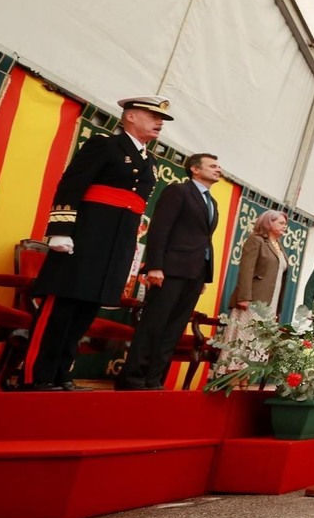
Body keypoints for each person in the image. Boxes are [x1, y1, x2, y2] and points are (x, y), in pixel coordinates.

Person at [23, 96, 167, 391]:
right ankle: (37, 376)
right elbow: (71, 185)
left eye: (160, 119)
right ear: (130, 117)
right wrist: (60, 229)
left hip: (116, 245)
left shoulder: (149, 161)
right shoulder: (105, 145)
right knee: (62, 307)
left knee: (86, 310)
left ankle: (62, 373)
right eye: (152, 116)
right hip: (85, 238)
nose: (159, 122)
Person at [118, 152, 223, 390]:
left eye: (219, 166)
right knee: (154, 325)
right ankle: (133, 379)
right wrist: (155, 266)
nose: (218, 169)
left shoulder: (212, 202)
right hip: (170, 270)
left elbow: (203, 238)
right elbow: (160, 229)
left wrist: (203, 273)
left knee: (173, 329)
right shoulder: (179, 191)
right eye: (213, 165)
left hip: (195, 273)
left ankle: (154, 380)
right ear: (195, 169)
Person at [229, 210, 287, 320]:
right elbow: (246, 270)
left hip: (272, 300)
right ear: (268, 223)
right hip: (254, 299)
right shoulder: (256, 240)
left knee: (262, 336)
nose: (284, 226)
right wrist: (244, 297)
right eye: (281, 223)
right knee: (247, 335)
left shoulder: (279, 246)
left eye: (285, 224)